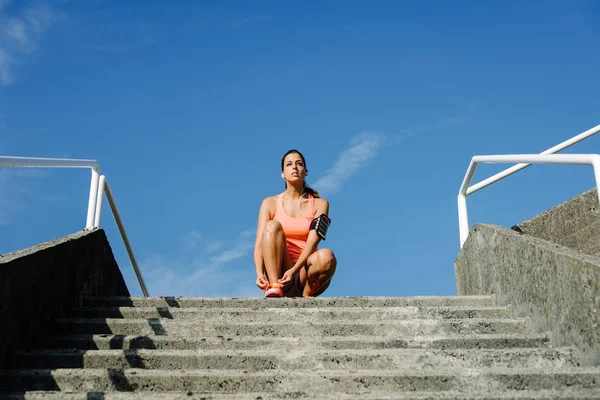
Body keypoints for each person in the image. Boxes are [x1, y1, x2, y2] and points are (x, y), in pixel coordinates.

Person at [253, 149, 337, 298]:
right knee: (272, 226)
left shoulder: (320, 204)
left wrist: (294, 270)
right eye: (289, 164)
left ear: (306, 172)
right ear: (282, 174)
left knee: (327, 256)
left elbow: (313, 241)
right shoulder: (269, 203)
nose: (294, 167)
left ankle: (305, 296)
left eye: (299, 164)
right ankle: (275, 287)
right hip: (280, 270)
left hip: (305, 273)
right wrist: (259, 272)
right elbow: (260, 242)